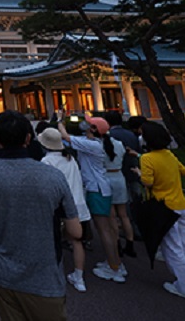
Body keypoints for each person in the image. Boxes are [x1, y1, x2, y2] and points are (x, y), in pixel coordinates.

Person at [0, 111, 81, 321]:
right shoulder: (53, 175)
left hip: (4, 273)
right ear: (28, 138)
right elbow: (75, 230)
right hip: (46, 275)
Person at [133, 122, 185, 303]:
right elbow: (184, 171)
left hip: (163, 207)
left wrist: (139, 172)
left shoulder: (147, 158)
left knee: (174, 248)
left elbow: (148, 182)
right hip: (181, 204)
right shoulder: (169, 154)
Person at [57, 113, 126, 283]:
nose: (85, 126)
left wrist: (59, 120)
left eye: (89, 124)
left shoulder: (91, 144)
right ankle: (115, 261)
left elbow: (65, 136)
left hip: (96, 189)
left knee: (104, 230)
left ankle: (114, 267)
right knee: (110, 227)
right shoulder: (97, 143)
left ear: (94, 129)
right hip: (104, 188)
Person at [39, 127, 91, 293]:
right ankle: (79, 276)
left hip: (58, 206)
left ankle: (51, 275)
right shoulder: (70, 158)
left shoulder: (47, 162)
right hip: (78, 203)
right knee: (77, 241)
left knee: (52, 241)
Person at [102, 125, 136, 258]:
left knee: (111, 216)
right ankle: (130, 243)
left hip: (107, 177)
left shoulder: (99, 146)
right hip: (119, 176)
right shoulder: (119, 144)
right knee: (123, 215)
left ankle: (117, 245)